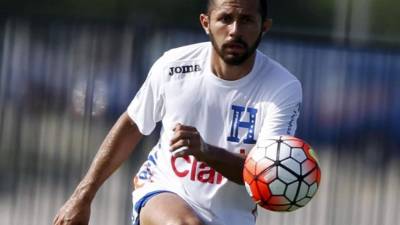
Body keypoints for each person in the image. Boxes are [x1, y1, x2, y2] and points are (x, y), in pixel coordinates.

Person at [53, 0, 302, 224]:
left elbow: (264, 174)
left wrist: (206, 151)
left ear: (264, 27)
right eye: (225, 18)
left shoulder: (282, 88)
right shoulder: (173, 66)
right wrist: (82, 196)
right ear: (206, 23)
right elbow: (132, 124)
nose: (235, 30)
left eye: (246, 20)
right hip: (163, 191)